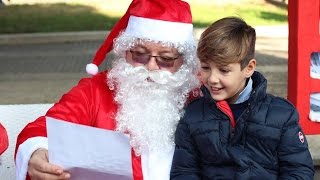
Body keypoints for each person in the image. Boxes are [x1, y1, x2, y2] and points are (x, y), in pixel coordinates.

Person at [14, 0, 200, 179]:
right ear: (125, 51)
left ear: (184, 61)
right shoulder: (95, 91)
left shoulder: (199, 94)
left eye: (165, 58)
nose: (151, 67)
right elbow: (46, 128)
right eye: (140, 55)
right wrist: (37, 152)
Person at [170, 17, 315, 179]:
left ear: (249, 68)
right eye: (205, 67)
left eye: (224, 70)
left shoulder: (282, 115)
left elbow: (299, 171)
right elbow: (184, 172)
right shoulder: (192, 114)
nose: (212, 78)